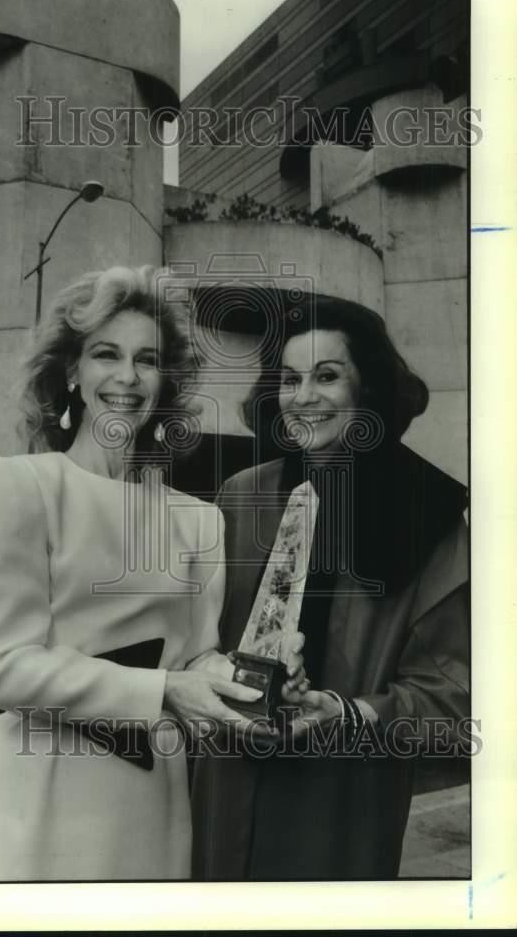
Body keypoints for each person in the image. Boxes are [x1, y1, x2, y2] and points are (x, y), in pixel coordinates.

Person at [0, 265, 303, 881]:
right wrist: (162, 692)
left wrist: (259, 677)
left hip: (153, 797)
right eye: (105, 354)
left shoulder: (197, 518)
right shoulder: (13, 486)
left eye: (147, 359)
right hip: (38, 789)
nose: (126, 377)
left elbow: (196, 658)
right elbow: (3, 666)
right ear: (71, 372)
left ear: (164, 381)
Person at [191, 293, 470, 881]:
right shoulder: (243, 495)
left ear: (366, 391)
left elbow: (450, 695)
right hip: (231, 783)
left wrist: (347, 712)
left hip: (343, 799)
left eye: (327, 376)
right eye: (290, 379)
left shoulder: (429, 513)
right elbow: (198, 639)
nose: (304, 397)